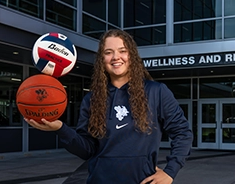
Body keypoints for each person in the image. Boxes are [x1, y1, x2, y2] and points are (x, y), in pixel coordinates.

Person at [25, 29, 193, 184]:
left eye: (122, 51)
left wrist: (170, 171)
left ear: (131, 55)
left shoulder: (157, 92)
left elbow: (183, 133)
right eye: (108, 52)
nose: (115, 57)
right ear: (101, 60)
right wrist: (61, 128)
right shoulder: (92, 99)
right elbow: (87, 151)